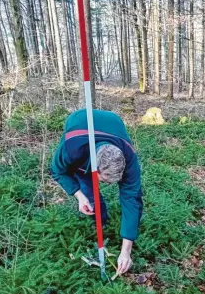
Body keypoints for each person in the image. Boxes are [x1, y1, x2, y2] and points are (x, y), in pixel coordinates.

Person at [51, 109, 143, 276]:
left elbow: (132, 200)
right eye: (106, 181)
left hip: (114, 123)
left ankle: (109, 232)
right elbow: (58, 171)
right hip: (79, 122)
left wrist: (126, 252)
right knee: (89, 196)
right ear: (94, 169)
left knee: (131, 196)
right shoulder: (72, 149)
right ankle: (101, 223)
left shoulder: (130, 159)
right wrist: (79, 196)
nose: (109, 185)